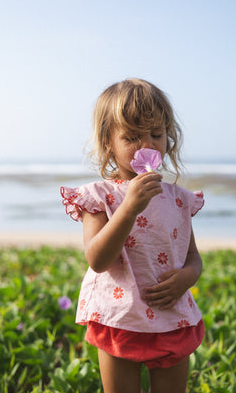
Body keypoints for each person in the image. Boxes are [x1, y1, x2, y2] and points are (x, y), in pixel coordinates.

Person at [61, 78, 204, 393]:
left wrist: (188, 277)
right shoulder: (99, 197)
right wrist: (129, 208)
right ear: (108, 142)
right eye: (132, 137)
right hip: (119, 316)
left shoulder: (179, 199)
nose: (148, 146)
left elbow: (192, 255)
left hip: (171, 315)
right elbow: (97, 260)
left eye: (156, 134)